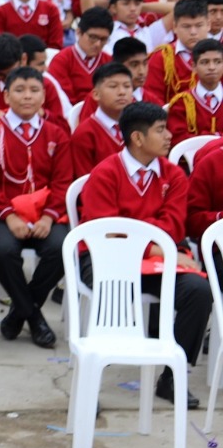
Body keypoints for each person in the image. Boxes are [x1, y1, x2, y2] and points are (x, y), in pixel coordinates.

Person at [78, 100, 207, 407]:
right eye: (160, 130)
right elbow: (106, 231)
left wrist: (144, 237)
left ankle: (172, 377)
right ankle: (90, 381)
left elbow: (174, 225)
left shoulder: (173, 175)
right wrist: (152, 243)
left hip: (160, 257)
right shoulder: (106, 173)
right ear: (137, 137)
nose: (169, 136)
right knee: (116, 288)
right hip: (104, 260)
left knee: (198, 291)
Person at [0, 67, 70, 350]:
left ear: (44, 95)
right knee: (2, 250)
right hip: (0, 213)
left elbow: (63, 181)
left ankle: (18, 314)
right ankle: (35, 318)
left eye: (34, 90)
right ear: (6, 95)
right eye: (19, 90)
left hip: (44, 213)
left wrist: (50, 218)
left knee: (60, 248)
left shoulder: (56, 133)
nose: (27, 96)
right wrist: (9, 215)